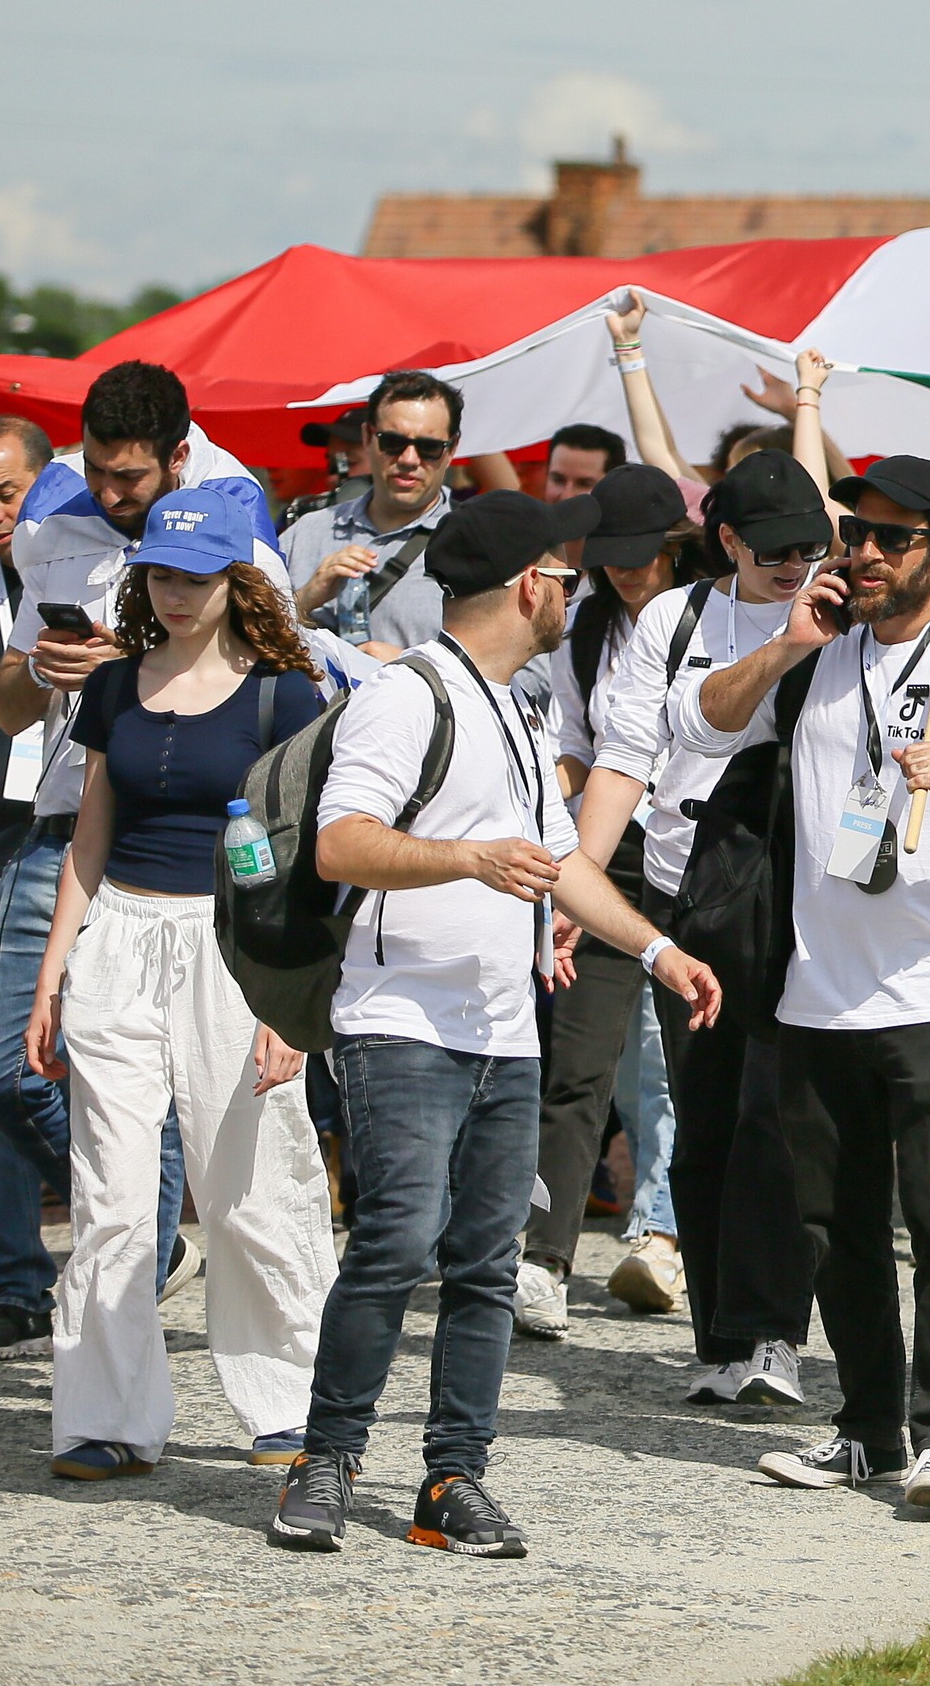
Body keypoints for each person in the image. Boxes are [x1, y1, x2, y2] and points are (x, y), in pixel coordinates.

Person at [274, 491, 722, 1557]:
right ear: (529, 584)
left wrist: (656, 948)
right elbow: (342, 844)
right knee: (390, 1247)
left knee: (484, 1265)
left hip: (502, 1032)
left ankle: (451, 1480)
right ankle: (326, 1460)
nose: (570, 590)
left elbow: (563, 861)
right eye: (562, 576)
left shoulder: (520, 708)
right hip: (401, 1022)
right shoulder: (404, 697)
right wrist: (469, 858)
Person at [681, 454, 930, 1513]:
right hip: (820, 991)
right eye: (854, 530)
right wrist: (784, 645)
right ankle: (868, 1427)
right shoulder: (819, 652)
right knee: (834, 1229)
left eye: (891, 537)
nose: (861, 551)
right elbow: (702, 722)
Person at [22, 489, 336, 1479]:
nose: (179, 590)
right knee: (108, 1195)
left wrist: (294, 1001)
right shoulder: (114, 684)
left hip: (236, 949)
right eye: (162, 572)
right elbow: (90, 832)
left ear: (239, 576)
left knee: (247, 1183)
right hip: (118, 935)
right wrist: (53, 972)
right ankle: (106, 1416)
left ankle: (290, 1400)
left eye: (198, 574)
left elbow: (315, 854)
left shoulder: (285, 692)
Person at [0, 363, 267, 1363]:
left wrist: (135, 672)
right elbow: (9, 706)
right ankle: (143, 1254)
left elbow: (262, 681)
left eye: (131, 476)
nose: (108, 491)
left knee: (153, 1096)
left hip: (174, 845)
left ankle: (123, 1308)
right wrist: (41, 667)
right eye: (97, 469)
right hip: (64, 823)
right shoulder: (52, 523)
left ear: (180, 458)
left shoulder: (230, 519)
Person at [589, 448, 837, 1403]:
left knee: (773, 1114)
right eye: (773, 549)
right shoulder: (674, 615)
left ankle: (776, 1334)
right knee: (702, 1122)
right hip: (682, 888)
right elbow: (629, 750)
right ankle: (723, 1337)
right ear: (726, 539)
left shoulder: (839, 611)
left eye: (809, 546)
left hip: (799, 887)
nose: (792, 565)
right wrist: (580, 892)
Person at [516, 459, 706, 1335]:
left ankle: (676, 1241)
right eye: (610, 556)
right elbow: (579, 748)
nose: (627, 572)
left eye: (643, 554)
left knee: (691, 1068)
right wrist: (546, 820)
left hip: (706, 854)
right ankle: (543, 1260)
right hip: (608, 849)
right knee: (578, 1062)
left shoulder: (718, 613)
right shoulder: (584, 626)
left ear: (678, 545)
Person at [281, 370, 467, 663]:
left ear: (452, 448)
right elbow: (235, 642)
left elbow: (528, 678)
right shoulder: (305, 533)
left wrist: (416, 667)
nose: (408, 459)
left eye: (429, 447)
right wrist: (305, 599)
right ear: (369, 436)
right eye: (393, 442)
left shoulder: (477, 543)